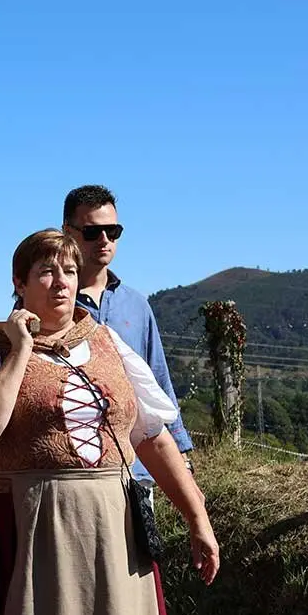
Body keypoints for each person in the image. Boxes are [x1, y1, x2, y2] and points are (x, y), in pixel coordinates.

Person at [0, 230, 218, 615]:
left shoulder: (108, 343)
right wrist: (21, 349)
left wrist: (197, 517)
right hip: (28, 524)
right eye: (46, 272)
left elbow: (152, 437)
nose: (61, 282)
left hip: (113, 525)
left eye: (69, 271)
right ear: (20, 283)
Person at [62, 185, 195, 482]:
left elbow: (157, 379)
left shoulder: (137, 305)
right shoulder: (50, 302)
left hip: (138, 466)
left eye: (113, 231)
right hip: (74, 469)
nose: (105, 240)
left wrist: (180, 451)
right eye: (92, 232)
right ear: (67, 232)